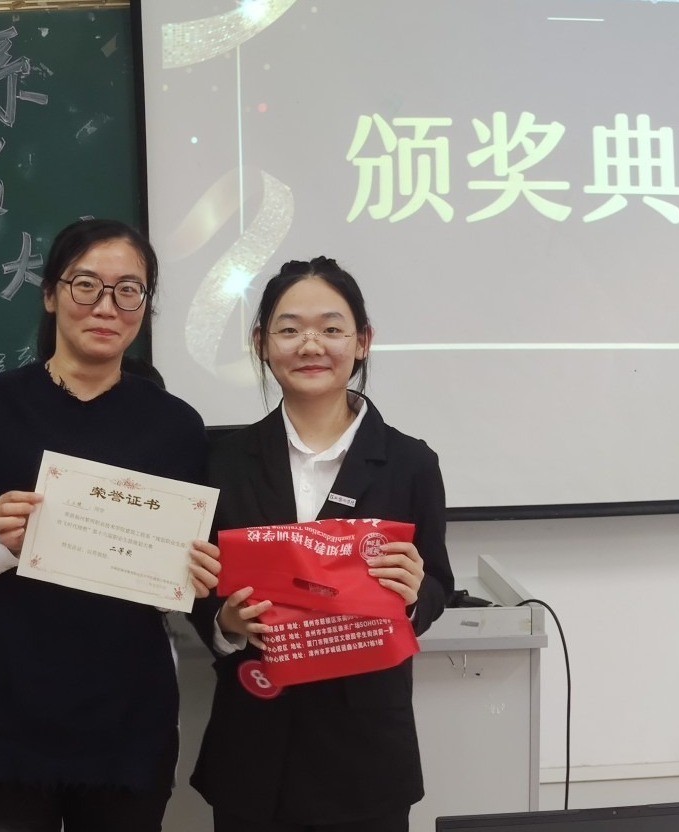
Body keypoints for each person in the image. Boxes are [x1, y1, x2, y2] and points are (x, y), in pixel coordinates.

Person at [0, 218, 222, 832]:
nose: (107, 306)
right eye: (86, 285)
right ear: (51, 294)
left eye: (129, 290)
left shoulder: (176, 426)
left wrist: (196, 574)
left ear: (146, 306)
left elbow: (192, 568)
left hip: (127, 722)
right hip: (1, 717)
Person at [189, 256, 456, 832]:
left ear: (362, 342)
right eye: (289, 329)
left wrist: (414, 595)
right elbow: (197, 584)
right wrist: (225, 622)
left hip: (364, 752)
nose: (311, 345)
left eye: (332, 328)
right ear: (261, 344)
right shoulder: (221, 462)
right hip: (254, 742)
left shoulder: (410, 462)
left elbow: (438, 584)